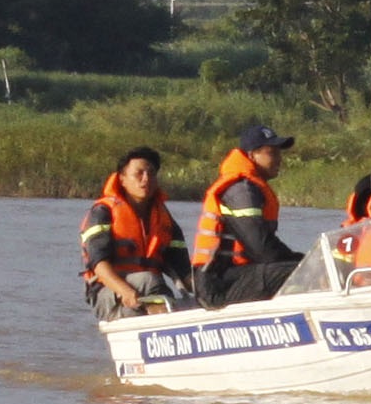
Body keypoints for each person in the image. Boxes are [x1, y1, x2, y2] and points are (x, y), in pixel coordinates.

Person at [189, 123, 301, 307]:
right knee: (300, 271)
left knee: (302, 268)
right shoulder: (240, 190)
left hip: (236, 274)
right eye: (271, 153)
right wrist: (306, 263)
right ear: (251, 155)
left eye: (279, 153)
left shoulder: (251, 187)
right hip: (218, 283)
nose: (279, 159)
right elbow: (260, 248)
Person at [79, 146, 186, 316]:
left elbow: (183, 269)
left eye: (151, 174)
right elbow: (99, 265)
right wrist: (124, 290)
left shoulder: (164, 217)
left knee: (177, 303)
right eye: (139, 173)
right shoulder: (102, 212)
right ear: (122, 179)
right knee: (148, 279)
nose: (146, 179)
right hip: (107, 292)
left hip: (149, 291)